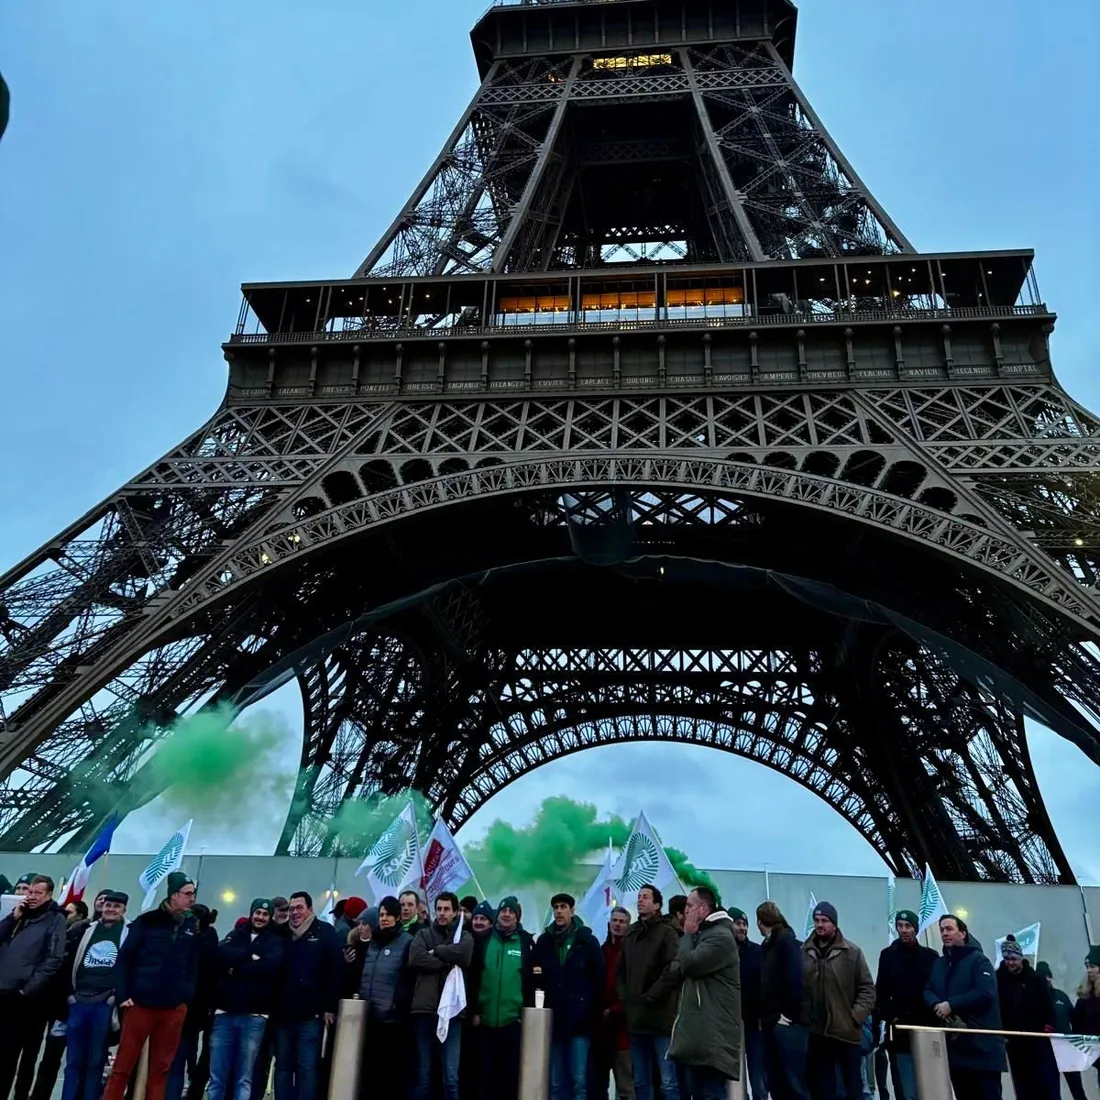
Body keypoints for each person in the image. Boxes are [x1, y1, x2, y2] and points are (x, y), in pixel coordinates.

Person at [104, 872, 201, 1100]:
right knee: (122, 1066)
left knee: (161, 1069)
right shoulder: (147, 921)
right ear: (174, 895)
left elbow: (192, 966)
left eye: (193, 894)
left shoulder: (191, 926)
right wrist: (123, 995)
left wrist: (186, 999)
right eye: (188, 894)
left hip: (173, 1008)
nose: (192, 899)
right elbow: (125, 959)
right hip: (140, 1005)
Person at [208, 899, 286, 1100]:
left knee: (244, 1077)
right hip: (224, 1013)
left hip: (254, 1016)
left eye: (265, 914)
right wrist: (251, 957)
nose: (260, 917)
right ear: (252, 913)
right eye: (257, 912)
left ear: (270, 917)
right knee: (217, 1076)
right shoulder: (237, 933)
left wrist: (236, 967)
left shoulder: (275, 941)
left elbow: (271, 967)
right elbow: (220, 954)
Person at [668, 886, 741, 1100]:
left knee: (711, 1094)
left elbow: (688, 964)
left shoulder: (720, 937)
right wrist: (688, 948)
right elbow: (675, 969)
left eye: (690, 906)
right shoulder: (702, 936)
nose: (686, 911)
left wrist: (687, 936)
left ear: (703, 909)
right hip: (699, 1037)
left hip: (713, 1037)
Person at [924, 914, 1005, 1100]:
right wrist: (936, 1004)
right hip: (957, 1050)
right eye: (942, 930)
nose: (945, 933)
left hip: (982, 1048)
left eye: (950, 929)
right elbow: (928, 989)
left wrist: (951, 1005)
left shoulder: (979, 960)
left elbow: (986, 993)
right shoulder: (939, 964)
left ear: (963, 933)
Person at [0, 874, 67, 1100]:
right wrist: (12, 918)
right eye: (30, 891)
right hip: (2, 991)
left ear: (49, 895)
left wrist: (27, 988)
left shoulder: (55, 919)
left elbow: (53, 959)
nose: (32, 896)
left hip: (26, 998)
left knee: (16, 1054)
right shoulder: (18, 916)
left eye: (38, 893)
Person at [272, 891, 342, 1100]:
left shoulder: (325, 932)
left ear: (310, 909)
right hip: (282, 1014)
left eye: (299, 907)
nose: (295, 913)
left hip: (311, 1015)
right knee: (283, 1066)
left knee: (307, 1067)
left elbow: (336, 971)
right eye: (292, 908)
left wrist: (330, 1006)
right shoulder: (281, 934)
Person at [801, 901, 874, 1100]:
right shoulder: (804, 952)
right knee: (822, 1089)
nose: (819, 924)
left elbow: (867, 989)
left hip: (846, 1033)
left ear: (834, 924)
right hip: (817, 1033)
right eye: (816, 920)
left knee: (852, 1088)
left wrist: (854, 1017)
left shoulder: (852, 952)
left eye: (824, 920)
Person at [535, 892, 604, 1100]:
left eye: (563, 906)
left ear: (572, 911)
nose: (558, 911)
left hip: (580, 1022)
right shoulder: (544, 941)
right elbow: (538, 978)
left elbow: (598, 979)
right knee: (556, 1082)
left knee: (578, 1081)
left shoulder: (587, 941)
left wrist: (589, 1011)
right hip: (554, 1021)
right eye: (555, 907)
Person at [61, 890, 129, 1100]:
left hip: (105, 1003)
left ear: (123, 910)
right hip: (79, 1001)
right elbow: (69, 961)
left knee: (95, 1060)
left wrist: (113, 999)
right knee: (72, 1061)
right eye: (108, 905)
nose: (111, 909)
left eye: (116, 906)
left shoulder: (129, 932)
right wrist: (70, 996)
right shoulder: (85, 930)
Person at [469, 896, 538, 1100]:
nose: (507, 914)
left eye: (511, 911)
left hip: (512, 1022)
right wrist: (475, 1011)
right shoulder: (484, 940)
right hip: (485, 1020)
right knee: (483, 1077)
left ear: (517, 916)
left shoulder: (526, 942)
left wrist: (523, 1014)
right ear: (497, 914)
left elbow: (531, 983)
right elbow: (473, 978)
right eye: (503, 910)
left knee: (508, 1077)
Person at [409, 891, 474, 1100]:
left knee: (451, 1077)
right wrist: (447, 960)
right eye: (439, 909)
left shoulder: (463, 936)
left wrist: (436, 951)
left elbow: (464, 955)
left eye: (447, 909)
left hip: (453, 1014)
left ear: (455, 912)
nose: (442, 913)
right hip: (425, 1011)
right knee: (424, 1075)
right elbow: (416, 958)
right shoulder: (423, 934)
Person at [618, 884, 681, 1100]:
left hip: (661, 1019)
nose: (640, 900)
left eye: (645, 897)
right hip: (636, 1020)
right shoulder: (631, 934)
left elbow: (672, 971)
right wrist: (626, 997)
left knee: (668, 1082)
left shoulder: (668, 933)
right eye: (639, 896)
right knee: (640, 1082)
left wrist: (651, 996)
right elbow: (620, 971)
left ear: (657, 905)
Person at [874, 909, 936, 1100]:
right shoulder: (887, 955)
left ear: (915, 929)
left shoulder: (930, 957)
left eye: (908, 926)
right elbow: (881, 992)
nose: (903, 930)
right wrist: (884, 1020)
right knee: (905, 1088)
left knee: (928, 1088)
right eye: (900, 926)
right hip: (898, 1032)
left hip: (925, 1031)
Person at [359, 896, 414, 1098]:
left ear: (398, 917)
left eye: (389, 915)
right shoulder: (373, 943)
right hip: (370, 1018)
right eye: (381, 915)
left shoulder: (406, 942)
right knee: (370, 1074)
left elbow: (408, 979)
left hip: (393, 1020)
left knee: (390, 1076)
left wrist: (397, 1004)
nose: (384, 919)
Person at [756, 901, 809, 1100]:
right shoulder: (769, 945)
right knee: (777, 1083)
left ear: (760, 921)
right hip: (772, 1023)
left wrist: (787, 1015)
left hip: (786, 1025)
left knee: (793, 1084)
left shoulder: (785, 942)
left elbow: (796, 980)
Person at [996, 937, 1059, 1100]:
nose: (1010, 963)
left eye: (1013, 959)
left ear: (1021, 958)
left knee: (1044, 1084)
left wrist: (1049, 1027)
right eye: (1007, 959)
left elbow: (1048, 1006)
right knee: (1022, 1086)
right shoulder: (999, 979)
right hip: (1014, 1042)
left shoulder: (1035, 979)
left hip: (1037, 1040)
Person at [590, 906, 633, 1100]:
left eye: (622, 921)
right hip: (601, 1031)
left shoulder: (632, 955)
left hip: (623, 1031)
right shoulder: (600, 952)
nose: (617, 925)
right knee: (598, 1086)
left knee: (626, 1087)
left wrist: (616, 1009)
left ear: (628, 926)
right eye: (615, 921)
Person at [729, 908, 766, 1100]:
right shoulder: (723, 952)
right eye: (738, 923)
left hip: (753, 1023)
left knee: (758, 1076)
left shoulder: (757, 952)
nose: (742, 928)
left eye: (745, 924)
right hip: (729, 1024)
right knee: (733, 1079)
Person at [1072, 946, 1100, 1094]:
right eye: (1087, 966)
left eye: (1093, 966)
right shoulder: (1085, 998)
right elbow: (1077, 1025)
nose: (1089, 970)